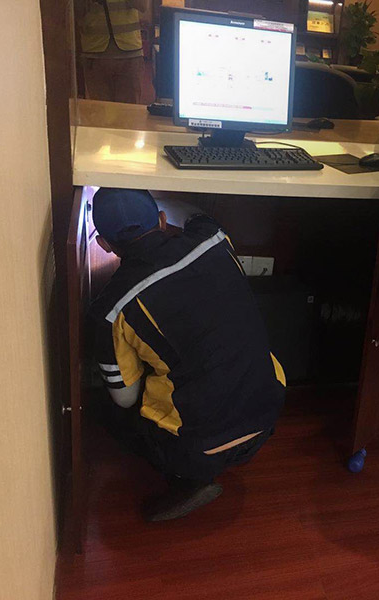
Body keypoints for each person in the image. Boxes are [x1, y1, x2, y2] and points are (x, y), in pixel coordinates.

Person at [89, 188, 286, 521]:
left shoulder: (110, 309)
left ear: (104, 244)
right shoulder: (213, 238)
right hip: (268, 412)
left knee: (107, 407)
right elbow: (194, 213)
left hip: (199, 447)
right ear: (162, 220)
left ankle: (187, 480)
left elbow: (125, 399)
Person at [77, 0, 147, 103]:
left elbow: (143, 6)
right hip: (94, 55)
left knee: (129, 110)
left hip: (129, 54)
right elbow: (74, 11)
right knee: (100, 110)